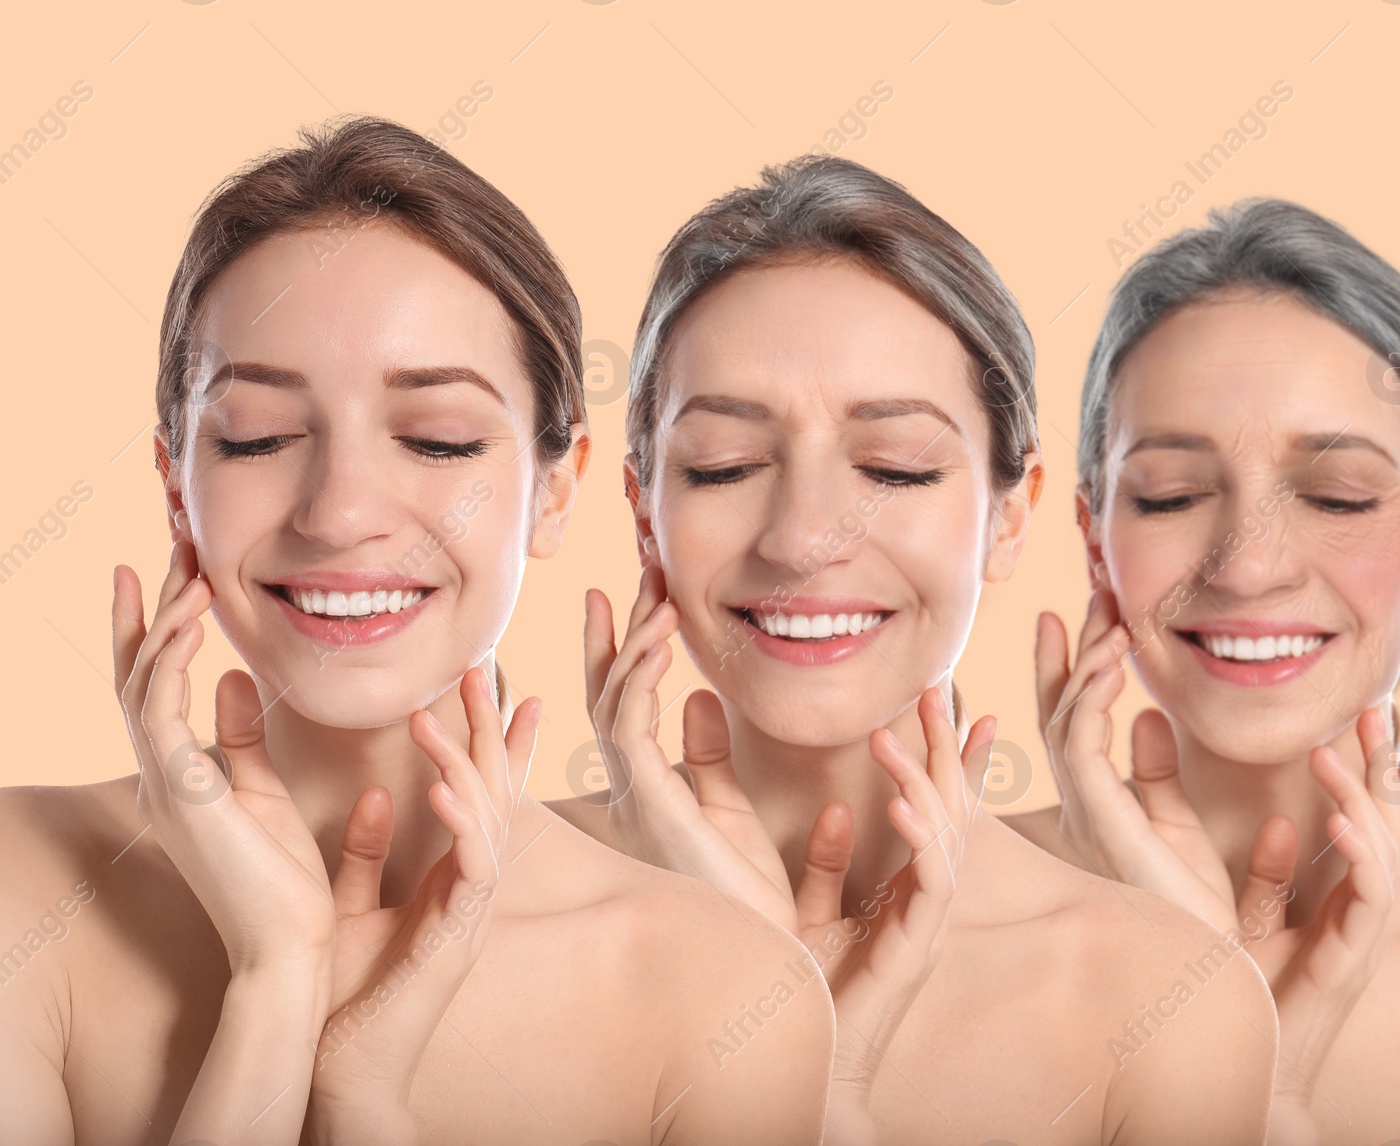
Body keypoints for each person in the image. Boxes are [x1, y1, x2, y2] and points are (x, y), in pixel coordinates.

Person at [0, 116, 832, 1145]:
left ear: (554, 491)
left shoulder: (726, 994)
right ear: (177, 485)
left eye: (436, 440)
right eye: (259, 437)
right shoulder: (19, 885)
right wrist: (275, 986)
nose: (341, 513)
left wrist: (360, 1101)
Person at [551, 155, 1279, 1144]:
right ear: (644, 513)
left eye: (893, 468)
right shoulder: (465, 922)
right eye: (725, 465)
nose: (804, 537)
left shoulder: (1165, 1003)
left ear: (1009, 514)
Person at [1003, 198, 1400, 1144]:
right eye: (1173, 496)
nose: (1248, 566)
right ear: (1092, 539)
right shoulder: (917, 921)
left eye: (1335, 495)